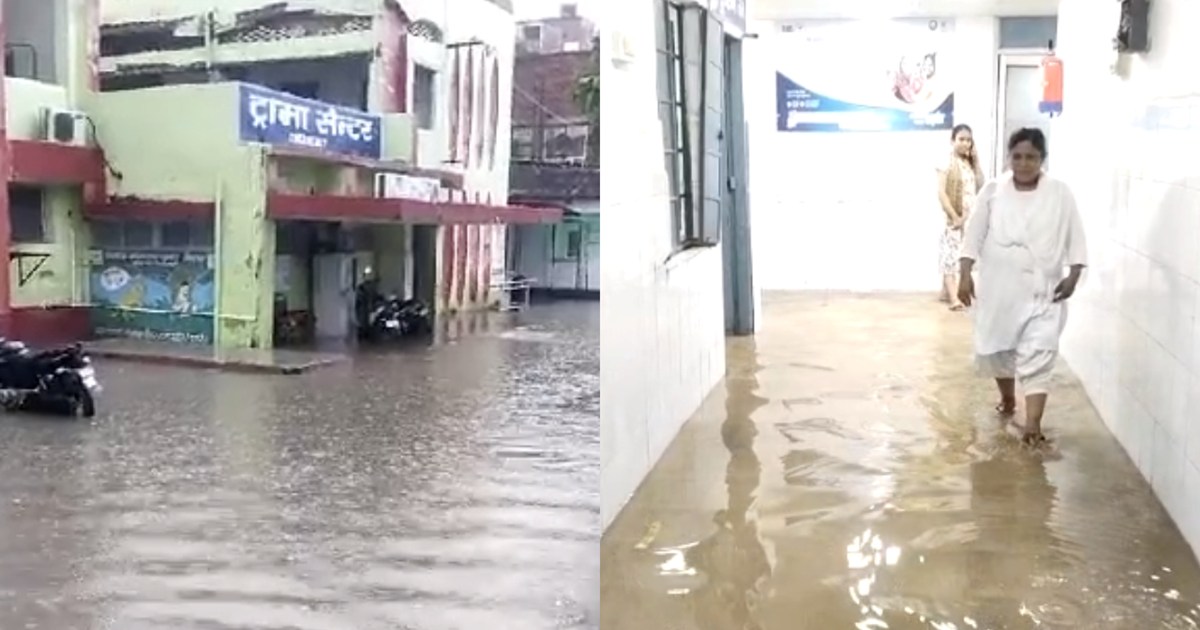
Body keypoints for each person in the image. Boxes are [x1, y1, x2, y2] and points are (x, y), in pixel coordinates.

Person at [957, 128, 1087, 446]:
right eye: (1017, 156)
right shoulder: (993, 191)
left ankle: (1032, 425)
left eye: (1031, 157)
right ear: (1009, 157)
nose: (1024, 163)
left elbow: (1075, 233)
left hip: (1044, 288)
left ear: (1042, 159)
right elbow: (973, 233)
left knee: (1040, 351)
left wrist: (1074, 272)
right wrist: (964, 272)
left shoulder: (1059, 193)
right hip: (1000, 287)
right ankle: (1009, 399)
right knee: (1000, 346)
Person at [937, 124, 985, 310]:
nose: (965, 143)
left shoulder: (968, 163)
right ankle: (953, 297)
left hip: (969, 218)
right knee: (950, 256)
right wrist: (954, 216)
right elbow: (941, 192)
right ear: (953, 141)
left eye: (968, 139)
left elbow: (981, 186)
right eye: (961, 139)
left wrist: (976, 161)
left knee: (963, 254)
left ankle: (944, 291)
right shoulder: (946, 161)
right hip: (952, 217)